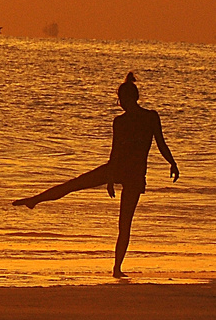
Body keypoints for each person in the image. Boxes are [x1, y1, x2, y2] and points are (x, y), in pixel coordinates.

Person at [12, 72, 180, 278]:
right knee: (81, 189)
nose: (121, 104)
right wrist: (171, 163)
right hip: (129, 172)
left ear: (129, 99)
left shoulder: (132, 120)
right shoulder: (147, 117)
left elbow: (134, 147)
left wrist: (171, 162)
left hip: (125, 172)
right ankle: (35, 200)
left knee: (122, 220)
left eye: (121, 100)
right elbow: (133, 148)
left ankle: (117, 268)